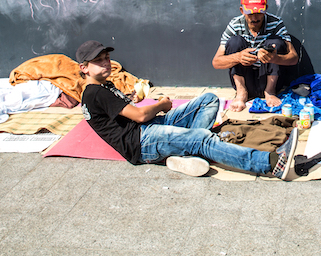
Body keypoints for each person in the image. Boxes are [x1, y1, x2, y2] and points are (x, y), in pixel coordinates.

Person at [77, 40, 301, 179]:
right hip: (141, 142)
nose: (106, 63)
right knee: (202, 138)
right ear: (84, 68)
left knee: (209, 99)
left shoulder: (101, 87)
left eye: (107, 58)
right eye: (99, 61)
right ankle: (271, 164)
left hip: (148, 128)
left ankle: (183, 150)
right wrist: (162, 105)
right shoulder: (95, 92)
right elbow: (141, 114)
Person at [212, 0, 298, 112]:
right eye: (250, 13)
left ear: (266, 9)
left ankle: (270, 91)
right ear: (242, 10)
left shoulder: (276, 23)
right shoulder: (235, 25)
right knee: (235, 42)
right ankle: (241, 94)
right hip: (245, 79)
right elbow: (216, 62)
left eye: (259, 13)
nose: (254, 18)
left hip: (270, 79)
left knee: (276, 42)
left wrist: (275, 58)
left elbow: (294, 57)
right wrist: (238, 57)